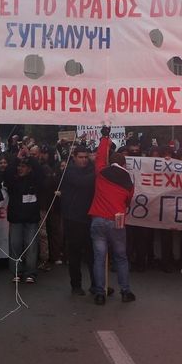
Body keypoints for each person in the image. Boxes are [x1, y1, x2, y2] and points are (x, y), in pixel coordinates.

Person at [88, 127, 135, 305]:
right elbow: (128, 201)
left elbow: (100, 156)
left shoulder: (101, 172)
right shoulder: (129, 182)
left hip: (99, 219)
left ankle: (100, 293)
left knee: (99, 258)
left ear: (110, 162)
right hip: (117, 220)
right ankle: (125, 291)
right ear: (124, 164)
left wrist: (105, 137)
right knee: (121, 257)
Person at [60, 145, 96, 294]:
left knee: (92, 253)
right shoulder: (69, 171)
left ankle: (97, 284)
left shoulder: (90, 169)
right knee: (75, 253)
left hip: (89, 217)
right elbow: (82, 183)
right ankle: (76, 285)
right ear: (74, 157)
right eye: (81, 157)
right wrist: (97, 171)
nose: (84, 160)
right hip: (73, 218)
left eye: (86, 157)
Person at [4, 157, 42, 283]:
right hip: (16, 219)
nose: (20, 168)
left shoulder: (35, 180)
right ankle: (17, 271)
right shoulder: (13, 181)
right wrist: (16, 159)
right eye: (19, 166)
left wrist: (31, 157)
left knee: (31, 246)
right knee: (15, 245)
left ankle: (31, 272)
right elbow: (7, 173)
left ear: (30, 169)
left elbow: (40, 171)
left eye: (23, 166)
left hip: (31, 219)